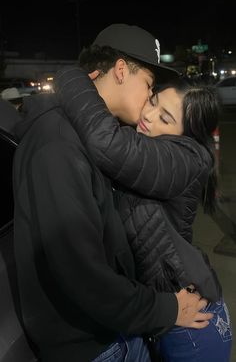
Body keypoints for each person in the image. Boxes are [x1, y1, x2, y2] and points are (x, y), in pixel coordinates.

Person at [13, 24, 213, 362]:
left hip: (111, 329)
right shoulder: (58, 143)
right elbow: (85, 276)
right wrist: (166, 310)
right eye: (149, 86)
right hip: (94, 345)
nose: (149, 104)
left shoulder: (85, 133)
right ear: (121, 70)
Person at [54, 49, 232, 360]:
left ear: (186, 135)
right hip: (166, 313)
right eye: (153, 100)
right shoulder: (149, 145)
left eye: (166, 117)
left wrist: (71, 76)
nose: (148, 116)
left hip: (193, 323)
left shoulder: (181, 160)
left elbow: (104, 142)